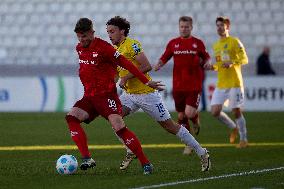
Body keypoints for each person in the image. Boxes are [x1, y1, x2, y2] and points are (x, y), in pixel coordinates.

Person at [106, 16, 211, 172]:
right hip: (129, 95)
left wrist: (126, 77)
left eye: (112, 31)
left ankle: (202, 152)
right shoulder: (115, 49)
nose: (109, 35)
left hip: (146, 94)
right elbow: (117, 73)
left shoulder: (132, 45)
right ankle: (130, 149)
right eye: (108, 32)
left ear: (122, 31)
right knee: (114, 117)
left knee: (170, 126)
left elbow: (146, 66)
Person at [66, 17, 164, 175]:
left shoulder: (105, 48)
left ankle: (145, 163)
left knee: (119, 127)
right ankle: (87, 158)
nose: (81, 39)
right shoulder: (79, 48)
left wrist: (146, 81)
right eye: (79, 36)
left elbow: (127, 64)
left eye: (84, 35)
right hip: (90, 98)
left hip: (106, 97)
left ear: (92, 32)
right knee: (72, 117)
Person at [154, 16, 210, 154]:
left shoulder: (197, 43)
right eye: (182, 27)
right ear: (179, 27)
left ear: (191, 27)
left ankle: (196, 120)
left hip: (194, 85)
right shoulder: (173, 43)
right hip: (178, 85)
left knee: (189, 113)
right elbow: (165, 56)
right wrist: (159, 64)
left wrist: (208, 62)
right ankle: (189, 144)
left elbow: (206, 56)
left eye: (186, 27)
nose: (184, 29)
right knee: (180, 116)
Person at [203, 16, 249, 148]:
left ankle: (244, 139)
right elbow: (219, 64)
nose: (219, 28)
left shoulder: (235, 41)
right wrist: (213, 67)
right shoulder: (216, 45)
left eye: (221, 25)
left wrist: (233, 62)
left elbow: (245, 59)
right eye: (217, 25)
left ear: (227, 26)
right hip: (221, 83)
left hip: (234, 82)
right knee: (214, 111)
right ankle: (233, 127)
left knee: (236, 111)